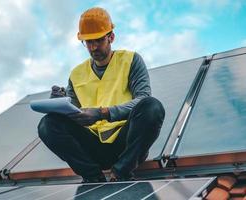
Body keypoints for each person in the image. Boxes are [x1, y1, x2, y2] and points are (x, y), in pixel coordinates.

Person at [38, 7, 165, 183]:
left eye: (98, 40)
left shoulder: (131, 60)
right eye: (88, 42)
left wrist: (102, 113)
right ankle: (92, 177)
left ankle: (121, 173)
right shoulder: (76, 74)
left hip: (125, 143)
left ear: (111, 37)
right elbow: (73, 114)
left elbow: (142, 99)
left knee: (152, 106)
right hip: (93, 147)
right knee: (48, 124)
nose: (93, 47)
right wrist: (58, 104)